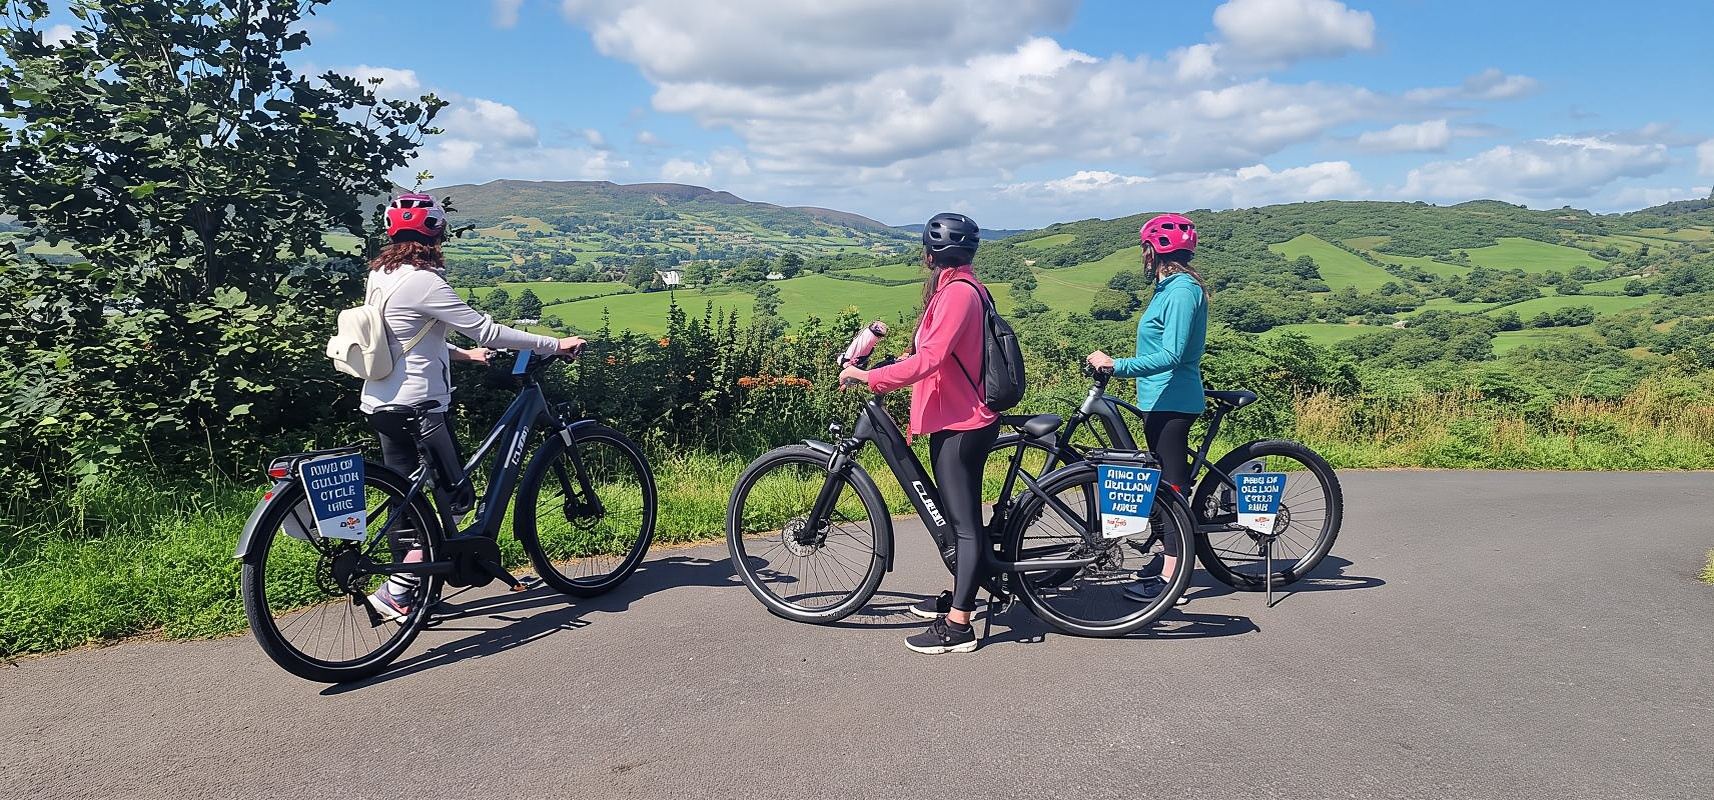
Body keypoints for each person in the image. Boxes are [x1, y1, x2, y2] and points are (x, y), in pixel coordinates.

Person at [362, 193, 584, 622]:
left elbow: (404, 336)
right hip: (420, 406)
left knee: (405, 499)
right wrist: (555, 344)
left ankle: (415, 582)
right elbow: (487, 330)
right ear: (438, 234)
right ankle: (400, 590)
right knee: (457, 496)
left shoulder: (382, 277)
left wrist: (463, 358)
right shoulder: (425, 281)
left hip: (381, 402)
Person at [838, 212, 998, 654]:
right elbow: (926, 355)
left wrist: (869, 379)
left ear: (933, 254)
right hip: (955, 416)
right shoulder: (955, 289)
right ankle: (961, 595)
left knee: (964, 526)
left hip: (963, 422)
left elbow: (929, 360)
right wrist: (886, 367)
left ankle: (960, 626)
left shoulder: (958, 295)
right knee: (955, 517)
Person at [1086, 213, 1211, 606]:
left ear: (1152, 251)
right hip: (1159, 400)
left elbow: (1171, 354)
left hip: (1174, 401)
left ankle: (1174, 580)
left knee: (1170, 490)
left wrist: (1116, 366)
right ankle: (1170, 561)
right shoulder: (1168, 288)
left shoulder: (1180, 292)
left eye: (1144, 248)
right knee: (1165, 484)